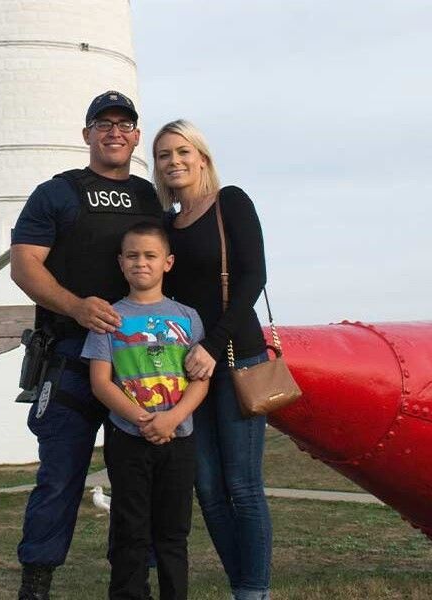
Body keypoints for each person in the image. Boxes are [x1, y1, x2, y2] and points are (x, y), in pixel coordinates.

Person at [10, 91, 163, 600]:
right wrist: (75, 306)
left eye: (125, 124)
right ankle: (36, 585)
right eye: (104, 123)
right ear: (87, 134)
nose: (114, 132)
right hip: (71, 361)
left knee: (140, 486)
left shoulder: (151, 199)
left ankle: (133, 586)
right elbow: (24, 265)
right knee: (60, 480)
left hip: (140, 364)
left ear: (136, 136)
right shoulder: (56, 194)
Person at [152, 119, 273, 600]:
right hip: (186, 369)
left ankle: (253, 592)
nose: (174, 161)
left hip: (234, 355)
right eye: (164, 155)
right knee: (206, 487)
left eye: (183, 152)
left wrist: (210, 343)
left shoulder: (231, 204)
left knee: (242, 485)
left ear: (201, 157)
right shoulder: (164, 225)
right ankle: (241, 584)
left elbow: (253, 277)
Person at [82, 222, 209, 600]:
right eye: (133, 256)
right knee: (130, 530)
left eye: (150, 256)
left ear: (167, 263)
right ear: (121, 263)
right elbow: (101, 382)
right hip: (128, 439)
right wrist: (143, 419)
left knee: (173, 534)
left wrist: (171, 418)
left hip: (179, 438)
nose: (141, 263)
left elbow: (201, 378)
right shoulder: (109, 318)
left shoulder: (188, 317)